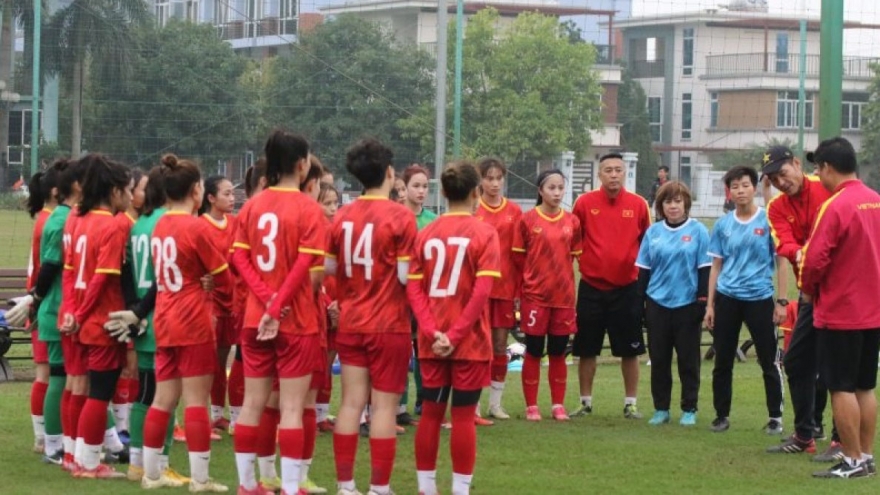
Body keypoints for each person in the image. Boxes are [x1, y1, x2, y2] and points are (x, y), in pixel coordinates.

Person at [231, 131, 326, 495]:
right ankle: (289, 487)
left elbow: (239, 257)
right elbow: (305, 262)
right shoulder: (308, 209)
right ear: (302, 165)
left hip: (256, 319)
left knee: (251, 405)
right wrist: (279, 303)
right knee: (290, 408)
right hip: (296, 319)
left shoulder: (252, 205)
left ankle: (246, 484)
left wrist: (265, 300)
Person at [136, 154, 232, 492]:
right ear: (196, 190)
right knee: (195, 402)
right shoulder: (196, 227)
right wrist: (210, 282)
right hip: (193, 321)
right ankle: (200, 479)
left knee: (163, 400)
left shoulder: (160, 223)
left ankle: (151, 474)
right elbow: (224, 277)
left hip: (164, 319)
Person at [326, 138, 417, 495]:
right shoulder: (401, 216)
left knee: (350, 403)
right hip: (388, 324)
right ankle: (379, 487)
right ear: (391, 173)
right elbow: (406, 277)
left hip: (351, 321)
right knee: (383, 407)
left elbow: (331, 267)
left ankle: (346, 486)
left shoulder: (343, 214)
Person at [407, 160, 501, 495]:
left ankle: (426, 488)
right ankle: (460, 490)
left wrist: (432, 332)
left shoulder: (425, 233)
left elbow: (413, 289)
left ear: (443, 192)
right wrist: (456, 334)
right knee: (462, 417)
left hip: (432, 341)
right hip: (470, 342)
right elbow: (482, 292)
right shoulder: (485, 233)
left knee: (431, 414)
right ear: (476, 192)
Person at [800, 137, 880, 479]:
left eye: (818, 169)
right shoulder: (876, 201)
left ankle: (850, 460)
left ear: (828, 168)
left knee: (840, 387)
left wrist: (807, 290)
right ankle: (865, 455)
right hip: (873, 310)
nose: (818, 175)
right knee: (865, 386)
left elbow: (815, 259)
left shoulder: (834, 206)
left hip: (842, 312)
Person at [760, 145, 834, 456]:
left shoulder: (826, 188)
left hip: (839, 292)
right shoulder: (776, 207)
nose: (781, 181)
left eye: (783, 172)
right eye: (774, 178)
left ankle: (841, 440)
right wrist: (800, 251)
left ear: (795, 163)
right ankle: (805, 435)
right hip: (808, 295)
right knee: (795, 360)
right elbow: (784, 243)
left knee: (835, 367)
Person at [118, 165, 189, 486]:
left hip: (143, 316)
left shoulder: (138, 226)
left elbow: (128, 274)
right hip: (166, 314)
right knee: (165, 394)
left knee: (146, 392)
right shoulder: (167, 222)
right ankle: (158, 463)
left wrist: (135, 311)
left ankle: (137, 462)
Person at [62, 154, 133, 478]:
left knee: (83, 387)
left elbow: (69, 271)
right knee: (98, 394)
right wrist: (82, 312)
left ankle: (75, 456)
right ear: (114, 191)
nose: (130, 197)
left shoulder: (77, 218)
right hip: (101, 320)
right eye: (127, 190)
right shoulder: (111, 225)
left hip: (78, 317)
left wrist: (71, 311)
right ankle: (90, 463)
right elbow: (101, 279)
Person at [703, 165, 784, 434]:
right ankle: (721, 415)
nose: (740, 190)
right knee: (723, 360)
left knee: (768, 359)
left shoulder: (768, 221)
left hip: (760, 299)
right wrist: (710, 305)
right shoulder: (723, 225)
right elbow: (716, 266)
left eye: (745, 185)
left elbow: (781, 262)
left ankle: (775, 416)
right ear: (729, 191)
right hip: (727, 298)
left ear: (754, 188)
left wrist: (781, 302)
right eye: (735, 186)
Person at [570, 153, 650, 419]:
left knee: (630, 350)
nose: (613, 174)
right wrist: (587, 260)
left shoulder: (638, 204)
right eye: (608, 170)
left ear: (624, 173)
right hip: (592, 287)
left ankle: (631, 403)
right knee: (586, 348)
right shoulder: (584, 203)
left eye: (618, 170)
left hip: (627, 288)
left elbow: (646, 242)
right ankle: (585, 402)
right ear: (599, 174)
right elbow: (573, 237)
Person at [635, 181, 710, 426]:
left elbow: (704, 269)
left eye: (678, 201)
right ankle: (661, 409)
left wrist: (702, 300)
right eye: (668, 201)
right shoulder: (653, 233)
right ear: (660, 206)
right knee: (659, 360)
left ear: (686, 203)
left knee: (689, 361)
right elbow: (644, 271)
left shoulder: (698, 231)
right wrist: (641, 304)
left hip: (687, 305)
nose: (673, 206)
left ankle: (689, 408)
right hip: (657, 304)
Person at [512, 169, 582, 421]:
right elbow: (518, 261)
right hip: (534, 298)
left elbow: (574, 258)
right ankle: (532, 405)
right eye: (551, 187)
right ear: (540, 190)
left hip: (563, 299)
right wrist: (520, 293)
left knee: (558, 350)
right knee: (533, 350)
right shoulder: (527, 220)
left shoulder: (573, 222)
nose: (556, 192)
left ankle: (557, 405)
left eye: (560, 187)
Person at [474, 157, 522, 421]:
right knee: (477, 345)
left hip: (504, 289)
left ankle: (496, 403)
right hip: (477, 290)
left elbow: (518, 256)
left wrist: (517, 293)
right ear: (480, 180)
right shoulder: (473, 209)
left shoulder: (514, 211)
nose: (493, 183)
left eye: (498, 178)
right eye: (488, 178)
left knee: (500, 346)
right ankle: (474, 403)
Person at [199, 175, 238, 435]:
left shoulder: (235, 224)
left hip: (231, 299)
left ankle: (218, 413)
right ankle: (203, 417)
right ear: (211, 198)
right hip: (209, 301)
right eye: (226, 193)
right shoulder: (200, 225)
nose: (232, 198)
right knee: (206, 361)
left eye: (232, 193)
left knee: (224, 358)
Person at [399, 163, 437, 422]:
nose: (421, 191)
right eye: (416, 186)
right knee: (401, 350)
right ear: (404, 187)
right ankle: (398, 405)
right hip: (399, 293)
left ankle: (424, 400)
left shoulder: (433, 221)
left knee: (424, 348)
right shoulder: (396, 217)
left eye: (425, 186)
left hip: (425, 295)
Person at [316, 182, 340, 433]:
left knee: (330, 358)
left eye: (335, 202)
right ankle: (310, 411)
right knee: (318, 361)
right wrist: (326, 304)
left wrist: (339, 302)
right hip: (319, 304)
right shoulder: (314, 230)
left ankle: (321, 413)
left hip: (335, 302)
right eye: (327, 203)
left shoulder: (336, 229)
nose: (333, 208)